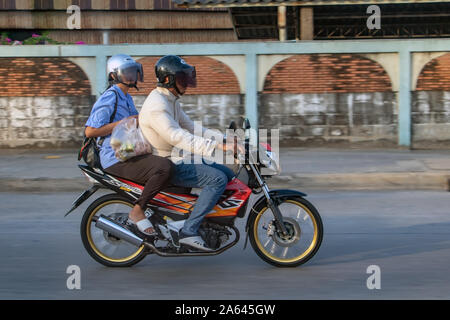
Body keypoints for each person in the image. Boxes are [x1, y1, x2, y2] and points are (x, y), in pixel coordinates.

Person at [139, 55, 242, 251]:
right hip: (165, 163)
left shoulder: (170, 100)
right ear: (168, 79)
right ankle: (189, 230)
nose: (186, 82)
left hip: (175, 157)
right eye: (182, 78)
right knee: (218, 179)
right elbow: (177, 137)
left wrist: (224, 140)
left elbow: (192, 128)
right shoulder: (157, 105)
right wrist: (217, 148)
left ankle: (206, 219)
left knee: (228, 174)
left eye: (187, 78)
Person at [85, 54, 174, 236]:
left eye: (134, 71)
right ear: (113, 75)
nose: (132, 76)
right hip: (114, 157)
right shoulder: (111, 97)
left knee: (173, 164)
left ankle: (161, 217)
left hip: (127, 152)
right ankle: (138, 210)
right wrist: (123, 122)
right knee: (163, 167)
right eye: (127, 72)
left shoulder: (126, 97)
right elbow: (90, 131)